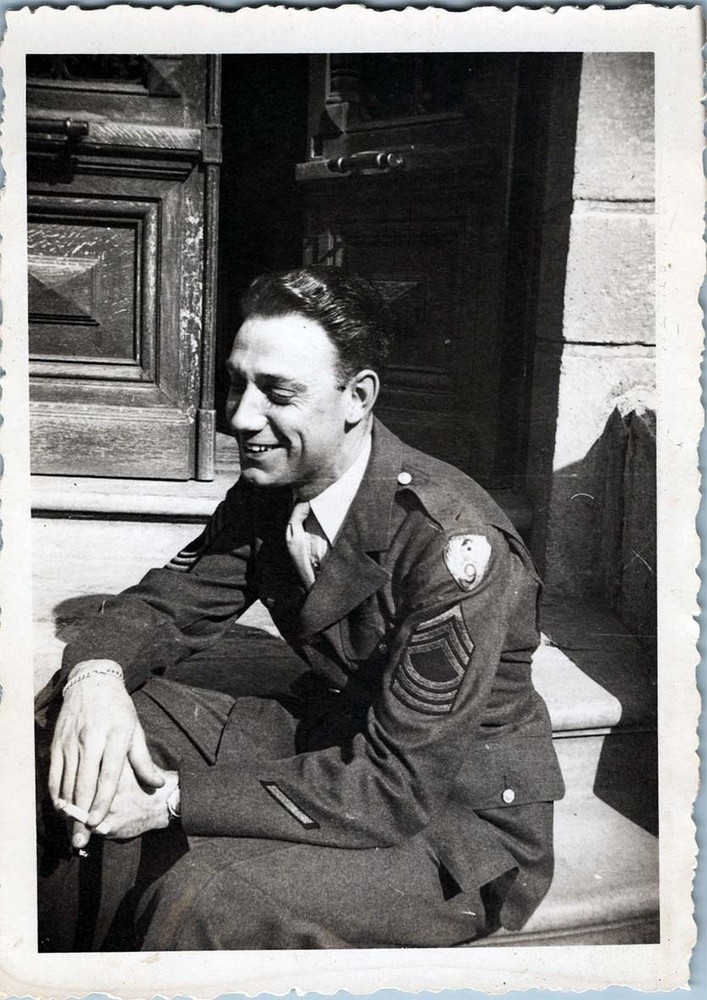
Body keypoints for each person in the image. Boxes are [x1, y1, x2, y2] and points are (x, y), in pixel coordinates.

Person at [36, 266, 564, 951]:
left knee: (204, 899)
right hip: (335, 744)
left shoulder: (452, 545)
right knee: (68, 726)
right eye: (235, 382)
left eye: (277, 393)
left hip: (452, 822)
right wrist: (95, 677)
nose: (239, 417)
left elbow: (396, 787)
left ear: (357, 397)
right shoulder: (274, 489)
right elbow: (164, 609)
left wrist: (167, 801)